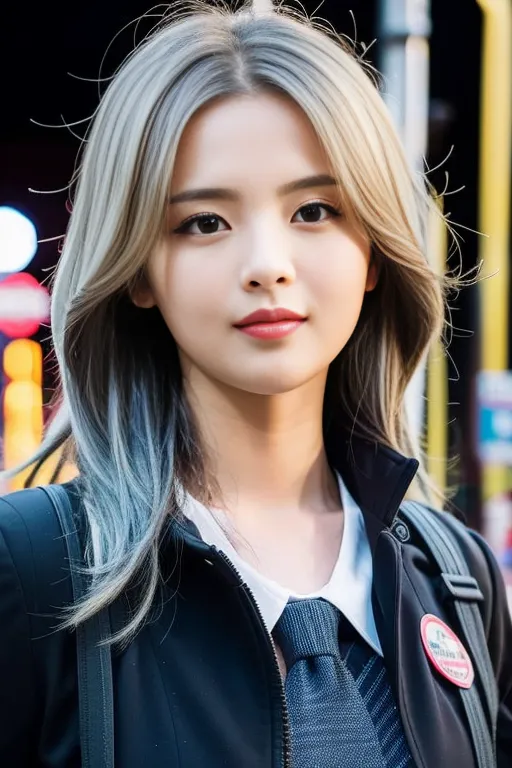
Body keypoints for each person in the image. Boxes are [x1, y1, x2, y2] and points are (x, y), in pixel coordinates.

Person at [0, 2, 511, 766]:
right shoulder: (32, 570)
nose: (267, 263)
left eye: (314, 210)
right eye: (204, 222)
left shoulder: (459, 578)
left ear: (372, 251)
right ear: (139, 268)